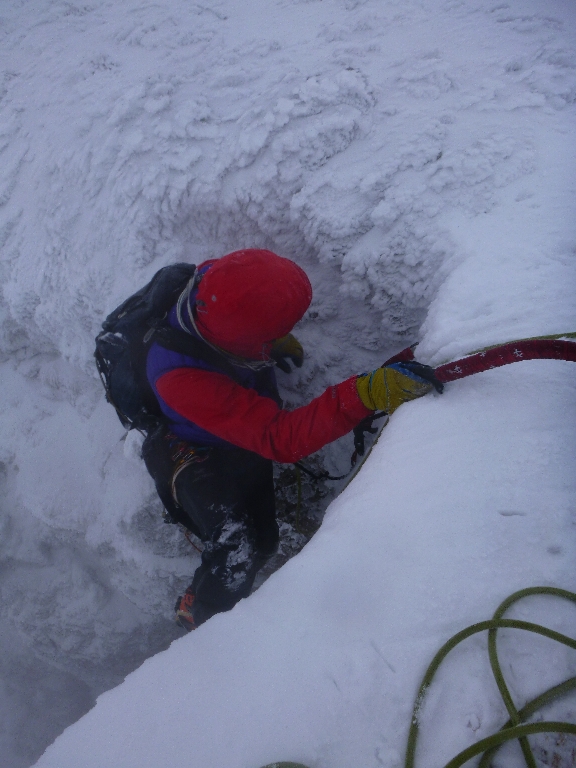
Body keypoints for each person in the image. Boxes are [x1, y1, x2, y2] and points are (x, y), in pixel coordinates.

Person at [141, 248, 441, 630]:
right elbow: (278, 438)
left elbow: (249, 304)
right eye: (265, 337)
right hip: (194, 449)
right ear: (238, 339)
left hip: (237, 428)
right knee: (236, 548)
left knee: (264, 541)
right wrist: (364, 395)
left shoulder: (216, 284)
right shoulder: (179, 378)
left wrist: (269, 341)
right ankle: (204, 620)